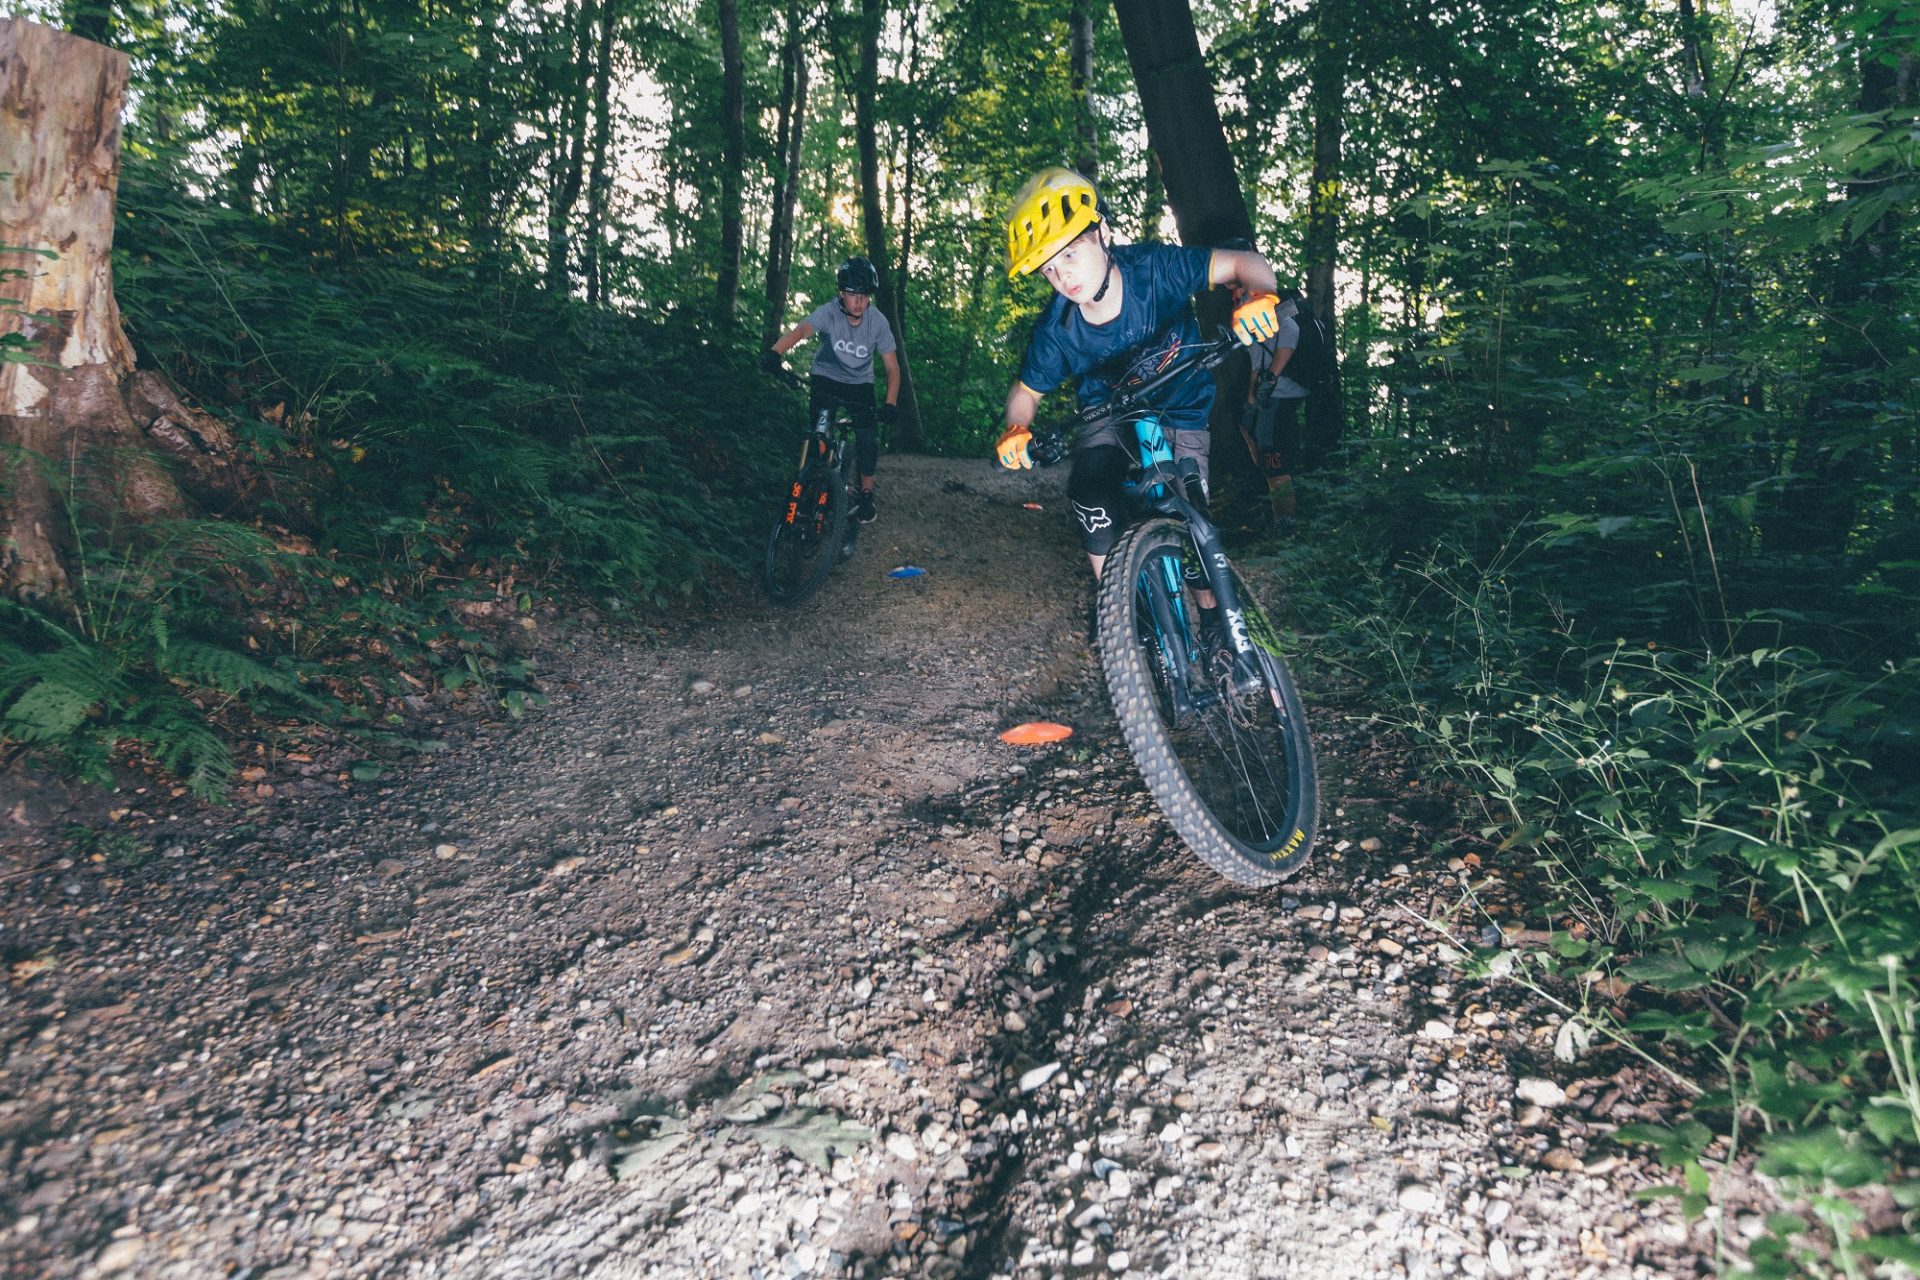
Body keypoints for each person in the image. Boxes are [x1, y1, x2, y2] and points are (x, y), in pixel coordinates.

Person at [992, 166, 1284, 579]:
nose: (1063, 277)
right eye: (1049, 269)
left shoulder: (1154, 269)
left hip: (1181, 403)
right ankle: (1113, 601)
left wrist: (1258, 295)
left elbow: (1244, 262)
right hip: (1106, 411)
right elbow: (1027, 392)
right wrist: (1016, 427)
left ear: (1104, 234)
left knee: (1194, 521)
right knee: (1090, 492)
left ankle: (1216, 621)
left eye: (1070, 254)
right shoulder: (1055, 329)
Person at [761, 256, 901, 524]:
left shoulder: (878, 322)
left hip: (860, 385)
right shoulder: (829, 312)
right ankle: (812, 492)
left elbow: (893, 368)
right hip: (826, 378)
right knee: (819, 438)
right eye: (852, 295)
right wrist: (775, 353)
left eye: (864, 295)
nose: (859, 302)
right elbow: (801, 330)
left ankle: (866, 496)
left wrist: (891, 403)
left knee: (868, 439)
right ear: (841, 294)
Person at [1234, 280, 1320, 523]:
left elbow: (1288, 339)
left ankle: (1285, 520)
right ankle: (1276, 494)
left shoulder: (1281, 319)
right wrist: (1252, 395)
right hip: (1269, 393)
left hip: (1284, 393)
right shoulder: (1252, 324)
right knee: (1252, 433)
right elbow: (1256, 361)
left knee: (1272, 451)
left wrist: (1270, 380)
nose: (1239, 299)